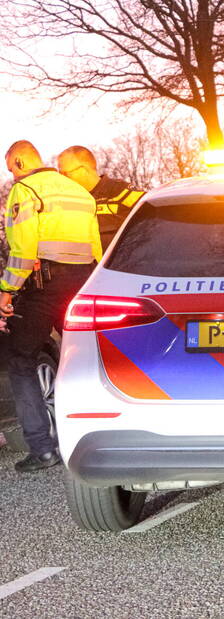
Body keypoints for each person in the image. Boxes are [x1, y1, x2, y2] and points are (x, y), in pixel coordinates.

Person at [0, 140, 102, 472]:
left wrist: (6, 290)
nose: (11, 176)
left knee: (20, 360)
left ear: (18, 162)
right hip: (84, 282)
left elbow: (23, 250)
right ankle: (98, 438)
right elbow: (96, 247)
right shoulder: (81, 193)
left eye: (10, 168)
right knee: (87, 358)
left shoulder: (25, 190)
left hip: (43, 287)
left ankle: (43, 449)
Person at [57, 146, 144, 250]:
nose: (61, 178)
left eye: (65, 173)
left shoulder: (119, 192)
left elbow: (154, 217)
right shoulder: (67, 202)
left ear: (84, 170)